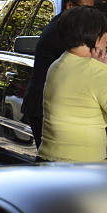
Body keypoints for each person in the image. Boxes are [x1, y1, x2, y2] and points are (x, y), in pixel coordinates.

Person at [21, 0, 94, 148]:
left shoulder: (67, 28)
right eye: (87, 9)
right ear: (70, 6)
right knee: (56, 158)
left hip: (50, 107)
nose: (91, 15)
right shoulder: (65, 32)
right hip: (47, 109)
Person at [39, 6, 107, 162]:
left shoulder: (56, 65)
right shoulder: (97, 71)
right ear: (93, 34)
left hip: (48, 158)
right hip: (85, 166)